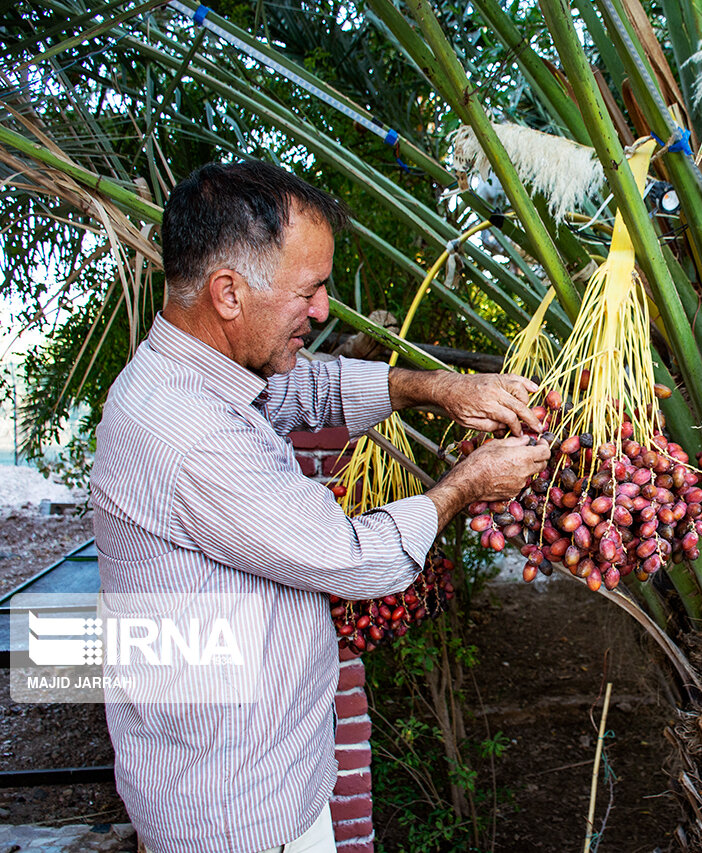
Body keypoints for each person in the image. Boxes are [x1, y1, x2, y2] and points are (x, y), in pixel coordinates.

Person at [90, 160, 550, 853]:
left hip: (258, 787)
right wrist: (464, 484)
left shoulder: (204, 371)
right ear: (228, 293)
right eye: (309, 291)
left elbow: (307, 389)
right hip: (237, 820)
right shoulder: (185, 431)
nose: (324, 311)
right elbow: (352, 558)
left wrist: (437, 388)